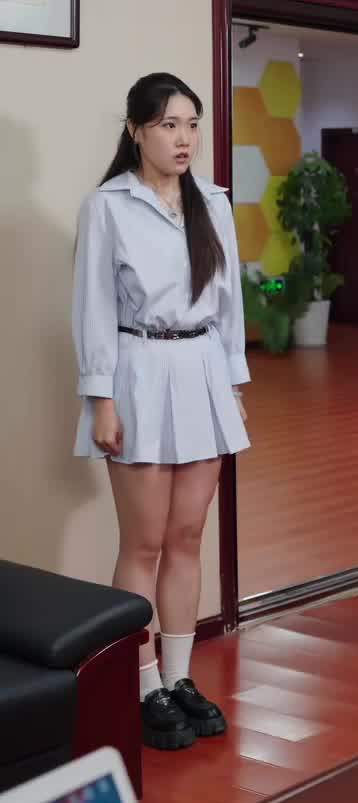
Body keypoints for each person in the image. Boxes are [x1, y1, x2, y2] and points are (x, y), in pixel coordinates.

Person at [73, 73, 251, 752]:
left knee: (188, 536)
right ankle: (141, 683)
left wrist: (232, 387)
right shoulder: (107, 207)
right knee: (143, 544)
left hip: (201, 373)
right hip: (137, 373)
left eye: (191, 124)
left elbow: (229, 305)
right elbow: (92, 306)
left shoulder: (214, 203)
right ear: (136, 131)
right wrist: (101, 399)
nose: (184, 138)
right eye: (169, 125)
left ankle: (179, 679)